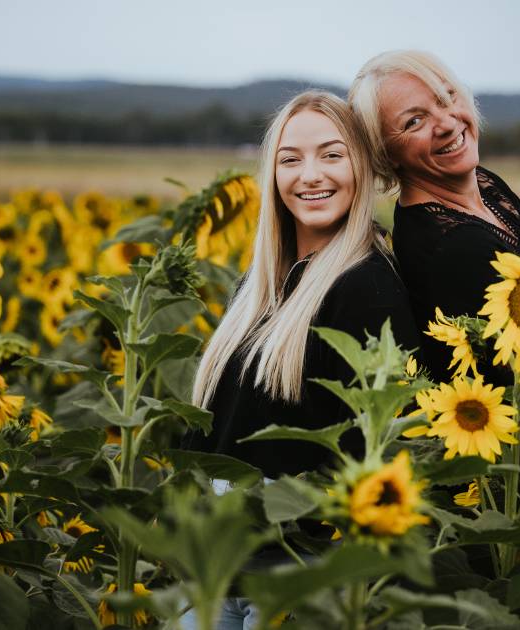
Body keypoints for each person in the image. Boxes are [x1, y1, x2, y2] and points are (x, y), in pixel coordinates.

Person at [182, 90, 420, 629]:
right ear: (272, 176)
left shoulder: (366, 287)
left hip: (299, 570)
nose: (310, 174)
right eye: (290, 160)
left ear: (361, 167)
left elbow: (374, 447)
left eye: (332, 155)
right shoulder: (260, 285)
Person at [347, 51, 520, 465]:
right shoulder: (450, 247)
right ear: (386, 155)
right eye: (414, 121)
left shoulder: (485, 187)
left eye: (447, 97)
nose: (447, 122)